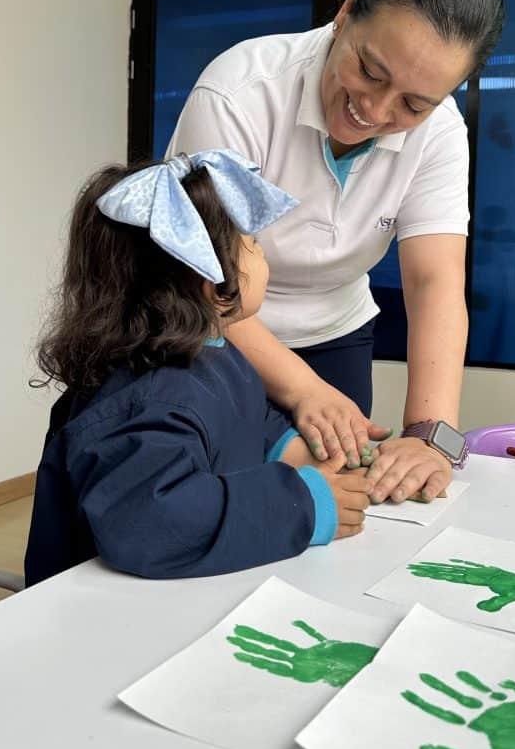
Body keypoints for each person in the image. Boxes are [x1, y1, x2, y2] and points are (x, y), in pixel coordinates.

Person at [167, 0, 505, 507]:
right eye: (370, 70)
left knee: (341, 504)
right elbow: (202, 277)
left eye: (413, 105)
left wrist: (431, 436)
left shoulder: (441, 133)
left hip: (336, 331)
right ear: (346, 11)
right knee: (224, 502)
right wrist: (304, 390)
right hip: (216, 327)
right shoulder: (240, 93)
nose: (374, 110)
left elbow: (434, 282)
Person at [24, 150, 371, 586]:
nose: (263, 253)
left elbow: (244, 425)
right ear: (211, 282)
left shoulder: (215, 353)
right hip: (104, 614)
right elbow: (156, 521)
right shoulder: (149, 400)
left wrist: (334, 456)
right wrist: (302, 504)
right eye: (252, 243)